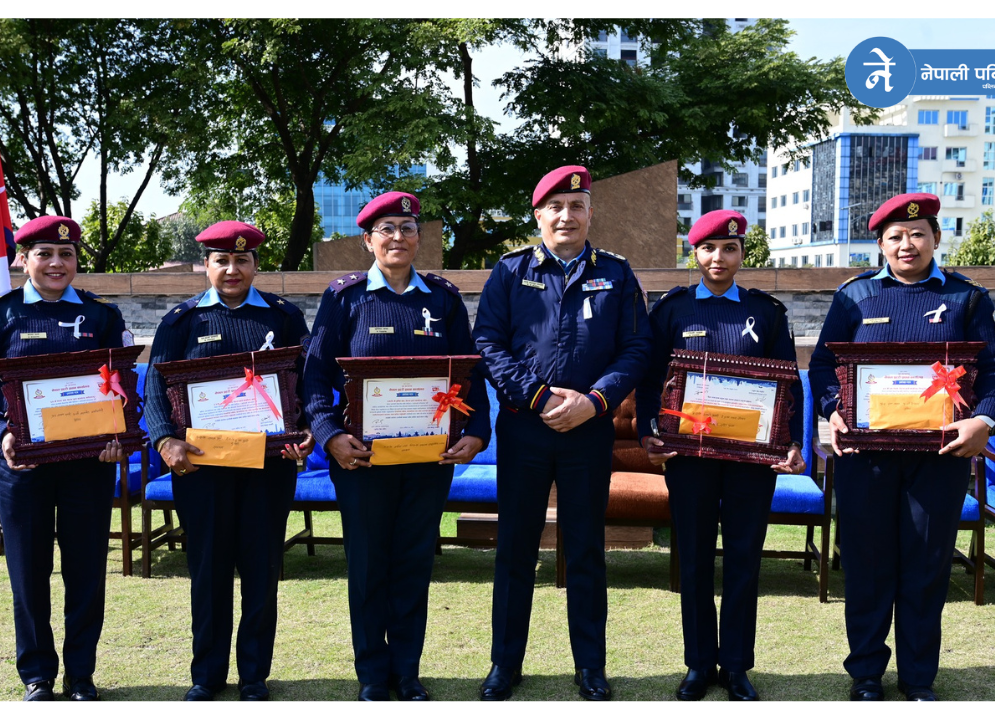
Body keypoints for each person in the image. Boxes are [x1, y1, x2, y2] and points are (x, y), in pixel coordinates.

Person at [809, 193, 995, 701]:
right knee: (867, 565)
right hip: (866, 458)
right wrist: (834, 408)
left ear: (936, 239)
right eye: (895, 236)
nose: (907, 244)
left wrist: (984, 420)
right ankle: (867, 674)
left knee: (925, 566)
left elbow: (994, 372)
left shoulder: (968, 298)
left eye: (918, 234)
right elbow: (822, 366)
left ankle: (919, 677)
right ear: (880, 244)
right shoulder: (854, 296)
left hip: (939, 459)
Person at [302, 191, 491, 701]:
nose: (398, 238)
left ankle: (407, 671)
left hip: (429, 459)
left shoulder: (443, 299)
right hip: (362, 462)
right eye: (386, 229)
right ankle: (371, 674)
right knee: (367, 567)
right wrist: (330, 435)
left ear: (419, 239)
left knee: (412, 563)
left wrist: (476, 432)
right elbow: (315, 378)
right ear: (368, 241)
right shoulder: (344, 298)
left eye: (407, 229)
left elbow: (469, 374)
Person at [473, 165, 651, 701]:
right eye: (555, 207)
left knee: (586, 549)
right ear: (538, 215)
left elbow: (636, 349)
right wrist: (539, 397)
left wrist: (593, 402)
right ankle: (505, 664)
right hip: (524, 428)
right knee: (515, 548)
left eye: (577, 206)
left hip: (588, 432)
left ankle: (591, 666)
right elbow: (488, 343)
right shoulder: (510, 271)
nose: (566, 216)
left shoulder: (617, 273)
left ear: (590, 213)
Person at [0, 216, 129, 701]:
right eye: (45, 254)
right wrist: (1, 431)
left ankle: (81, 674)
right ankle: (37, 675)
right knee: (29, 573)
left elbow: (123, 387)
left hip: (87, 464)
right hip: (20, 466)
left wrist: (118, 434)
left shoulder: (102, 316)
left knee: (86, 571)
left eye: (66, 254)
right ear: (23, 259)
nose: (57, 263)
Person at [635, 210, 805, 702]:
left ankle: (735, 666)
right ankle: (697, 663)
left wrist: (792, 441)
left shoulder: (766, 312)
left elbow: (788, 382)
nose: (718, 257)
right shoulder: (672, 310)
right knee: (693, 560)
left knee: (744, 560)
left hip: (752, 460)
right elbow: (650, 380)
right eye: (709, 248)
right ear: (695, 253)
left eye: (729, 248)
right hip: (689, 458)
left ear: (742, 254)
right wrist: (650, 431)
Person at [143, 221, 313, 701]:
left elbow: (306, 383)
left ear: (256, 264)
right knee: (209, 572)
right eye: (222, 260)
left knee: (261, 570)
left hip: (268, 466)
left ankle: (254, 675)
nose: (232, 269)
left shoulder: (283, 317)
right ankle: (207, 674)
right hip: (201, 468)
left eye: (242, 260)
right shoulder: (181, 321)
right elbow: (155, 388)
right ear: (206, 265)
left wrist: (304, 432)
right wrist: (165, 441)